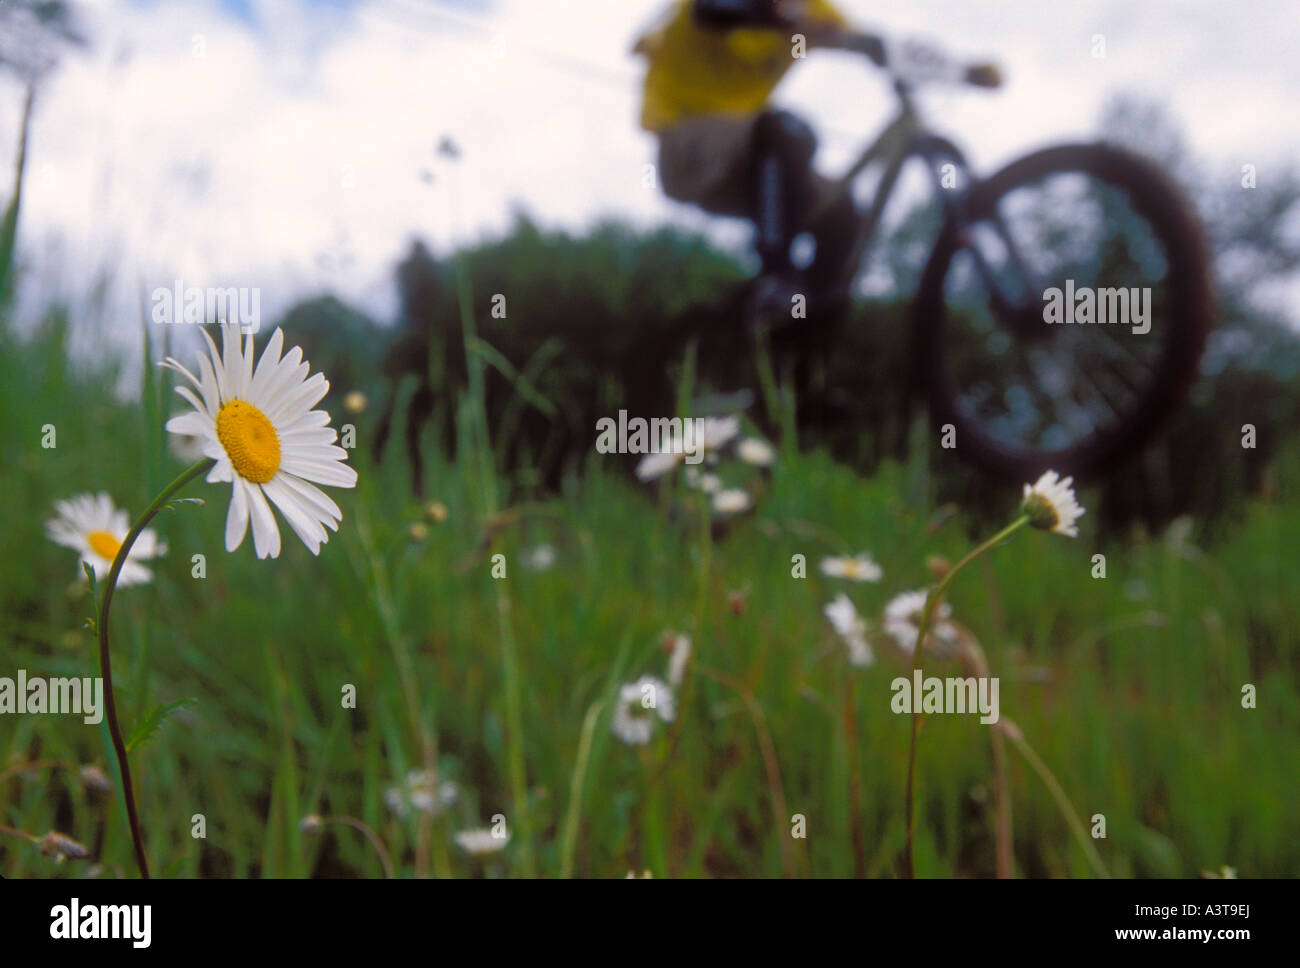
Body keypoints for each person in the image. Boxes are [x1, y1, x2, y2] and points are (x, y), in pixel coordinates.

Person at [634, 0, 874, 319]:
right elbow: (712, 11)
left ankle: (812, 314)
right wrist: (784, 17)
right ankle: (776, 279)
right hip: (687, 148)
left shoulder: (810, 7)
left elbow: (862, 40)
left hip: (752, 164)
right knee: (786, 130)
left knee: (840, 205)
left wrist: (956, 68)